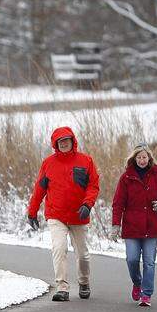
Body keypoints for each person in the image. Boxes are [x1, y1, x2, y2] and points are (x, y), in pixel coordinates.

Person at [27, 126, 100, 301]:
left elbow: (93, 186)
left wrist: (87, 204)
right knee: (59, 249)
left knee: (82, 254)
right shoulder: (48, 163)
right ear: (55, 144)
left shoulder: (86, 161)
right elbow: (39, 190)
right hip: (56, 215)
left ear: (72, 141)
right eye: (61, 141)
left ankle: (84, 282)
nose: (64, 143)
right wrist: (32, 212)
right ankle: (62, 287)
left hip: (79, 215)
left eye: (67, 140)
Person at [111, 144, 157, 308]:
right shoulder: (126, 178)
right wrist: (115, 225)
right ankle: (137, 283)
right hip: (132, 226)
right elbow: (118, 203)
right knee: (131, 259)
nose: (142, 160)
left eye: (144, 157)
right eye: (139, 157)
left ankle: (146, 294)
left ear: (149, 158)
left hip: (152, 225)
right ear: (134, 159)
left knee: (149, 262)